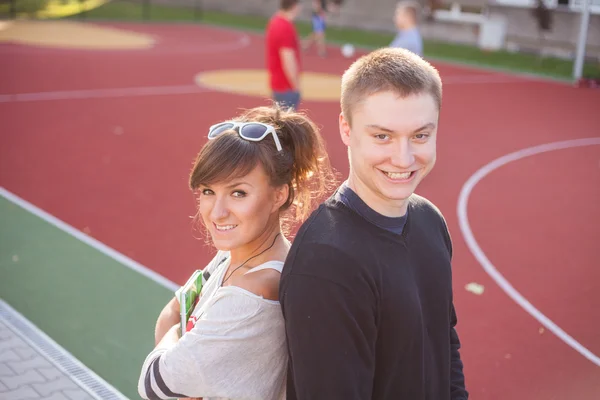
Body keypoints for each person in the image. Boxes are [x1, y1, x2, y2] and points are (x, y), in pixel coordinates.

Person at [279, 48, 469, 399]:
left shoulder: (430, 221)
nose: (404, 158)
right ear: (346, 129)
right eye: (383, 136)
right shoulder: (326, 263)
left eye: (420, 136)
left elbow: (445, 343)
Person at [137, 104, 334, 400]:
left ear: (278, 195)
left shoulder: (253, 291)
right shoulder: (235, 255)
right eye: (207, 191)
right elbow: (175, 309)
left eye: (238, 193)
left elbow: (154, 385)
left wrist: (173, 334)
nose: (217, 213)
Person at [266, 0, 302, 110]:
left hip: (277, 84)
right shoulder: (286, 27)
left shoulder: (275, 21)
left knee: (278, 122)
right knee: (287, 125)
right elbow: (288, 60)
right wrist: (296, 87)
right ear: (295, 6)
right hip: (286, 87)